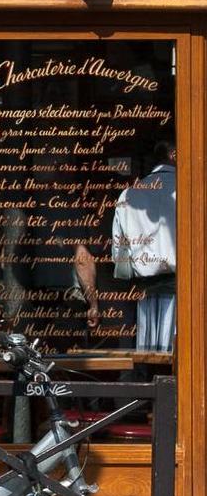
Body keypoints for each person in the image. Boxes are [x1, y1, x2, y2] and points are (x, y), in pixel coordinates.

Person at [85, 140, 178, 353]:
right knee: (183, 360)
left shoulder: (129, 195)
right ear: (173, 155)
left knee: (149, 358)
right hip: (183, 290)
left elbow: (120, 257)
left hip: (144, 291)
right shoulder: (191, 190)